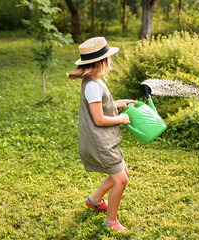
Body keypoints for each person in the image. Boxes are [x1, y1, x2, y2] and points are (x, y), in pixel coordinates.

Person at [67, 37, 134, 233]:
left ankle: (95, 200)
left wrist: (117, 103)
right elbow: (99, 119)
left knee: (122, 173)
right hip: (100, 142)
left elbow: (99, 106)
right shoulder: (92, 86)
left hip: (104, 140)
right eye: (108, 58)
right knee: (121, 179)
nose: (110, 62)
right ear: (100, 62)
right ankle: (110, 221)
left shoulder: (94, 82)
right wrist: (121, 119)